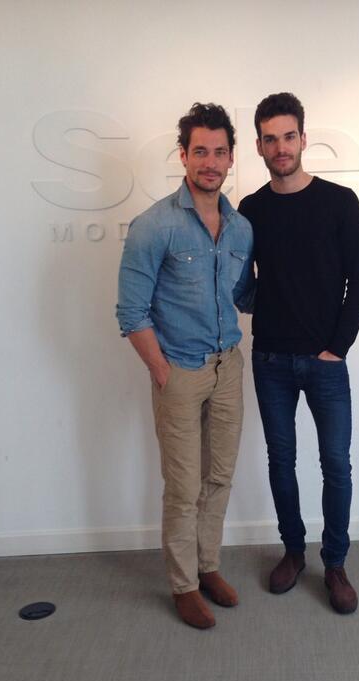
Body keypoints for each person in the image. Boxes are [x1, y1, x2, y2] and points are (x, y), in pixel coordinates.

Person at [116, 103, 254, 629]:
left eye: (219, 152)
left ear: (231, 158)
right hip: (179, 371)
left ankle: (208, 565)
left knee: (218, 478)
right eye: (201, 151)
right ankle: (184, 585)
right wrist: (161, 370)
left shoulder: (241, 228)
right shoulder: (154, 225)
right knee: (183, 486)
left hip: (228, 369)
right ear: (183, 155)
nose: (210, 162)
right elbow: (131, 312)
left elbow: (244, 296)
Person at [238, 92, 359, 614]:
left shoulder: (340, 202)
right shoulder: (250, 210)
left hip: (325, 363)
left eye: (288, 136)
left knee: (336, 464)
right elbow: (241, 282)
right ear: (259, 146)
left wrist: (336, 349)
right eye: (270, 139)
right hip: (270, 359)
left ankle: (334, 563)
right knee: (281, 461)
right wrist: (262, 304)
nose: (281, 147)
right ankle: (293, 551)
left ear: (303, 139)